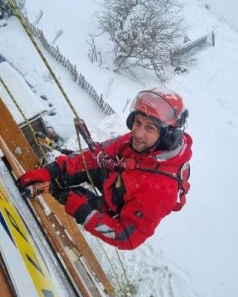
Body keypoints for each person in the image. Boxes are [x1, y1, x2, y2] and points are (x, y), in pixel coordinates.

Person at [17, 88, 193, 250]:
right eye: (137, 122)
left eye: (150, 128)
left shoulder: (160, 190)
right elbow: (96, 155)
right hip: (118, 180)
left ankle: (55, 191)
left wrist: (86, 215)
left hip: (117, 209)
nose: (138, 133)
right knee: (77, 171)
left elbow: (127, 237)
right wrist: (52, 171)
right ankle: (52, 182)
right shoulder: (133, 142)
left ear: (167, 136)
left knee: (74, 198)